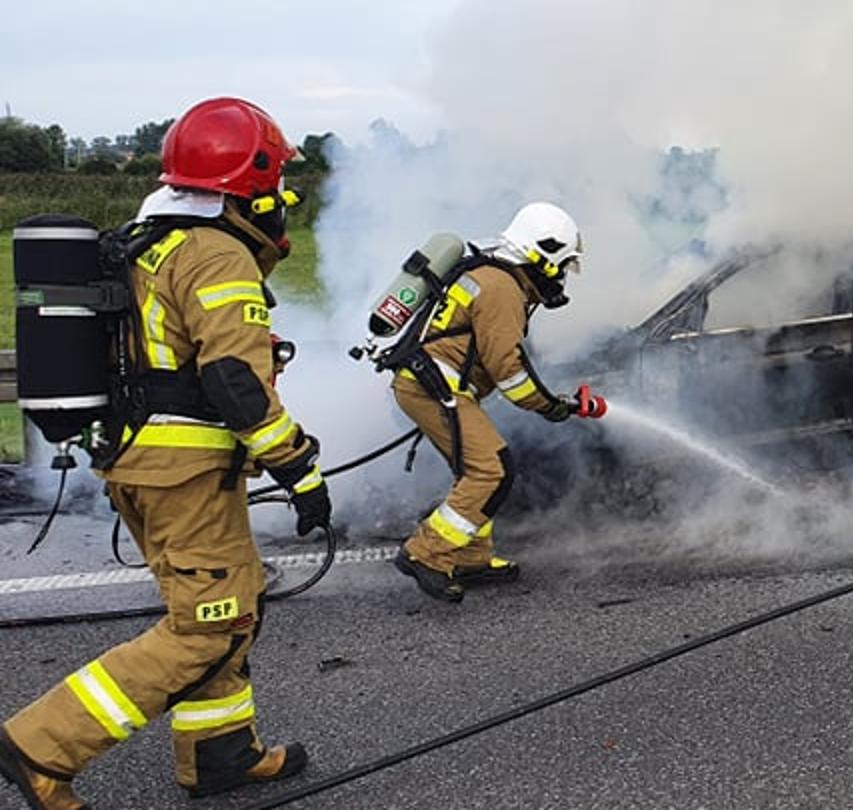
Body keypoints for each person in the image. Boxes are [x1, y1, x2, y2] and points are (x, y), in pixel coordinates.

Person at [0, 97, 329, 809]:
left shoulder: (153, 240)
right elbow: (235, 381)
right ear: (252, 183)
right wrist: (298, 465)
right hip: (184, 473)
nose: (280, 204)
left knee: (228, 609)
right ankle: (39, 745)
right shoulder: (217, 252)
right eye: (276, 188)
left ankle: (220, 754)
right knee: (205, 628)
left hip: (147, 464)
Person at [389, 202, 605, 603]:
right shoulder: (501, 288)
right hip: (434, 389)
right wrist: (552, 407)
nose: (560, 276)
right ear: (542, 256)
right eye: (562, 265)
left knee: (475, 469)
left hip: (432, 386)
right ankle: (425, 554)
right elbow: (510, 372)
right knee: (492, 470)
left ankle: (471, 556)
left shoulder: (489, 272)